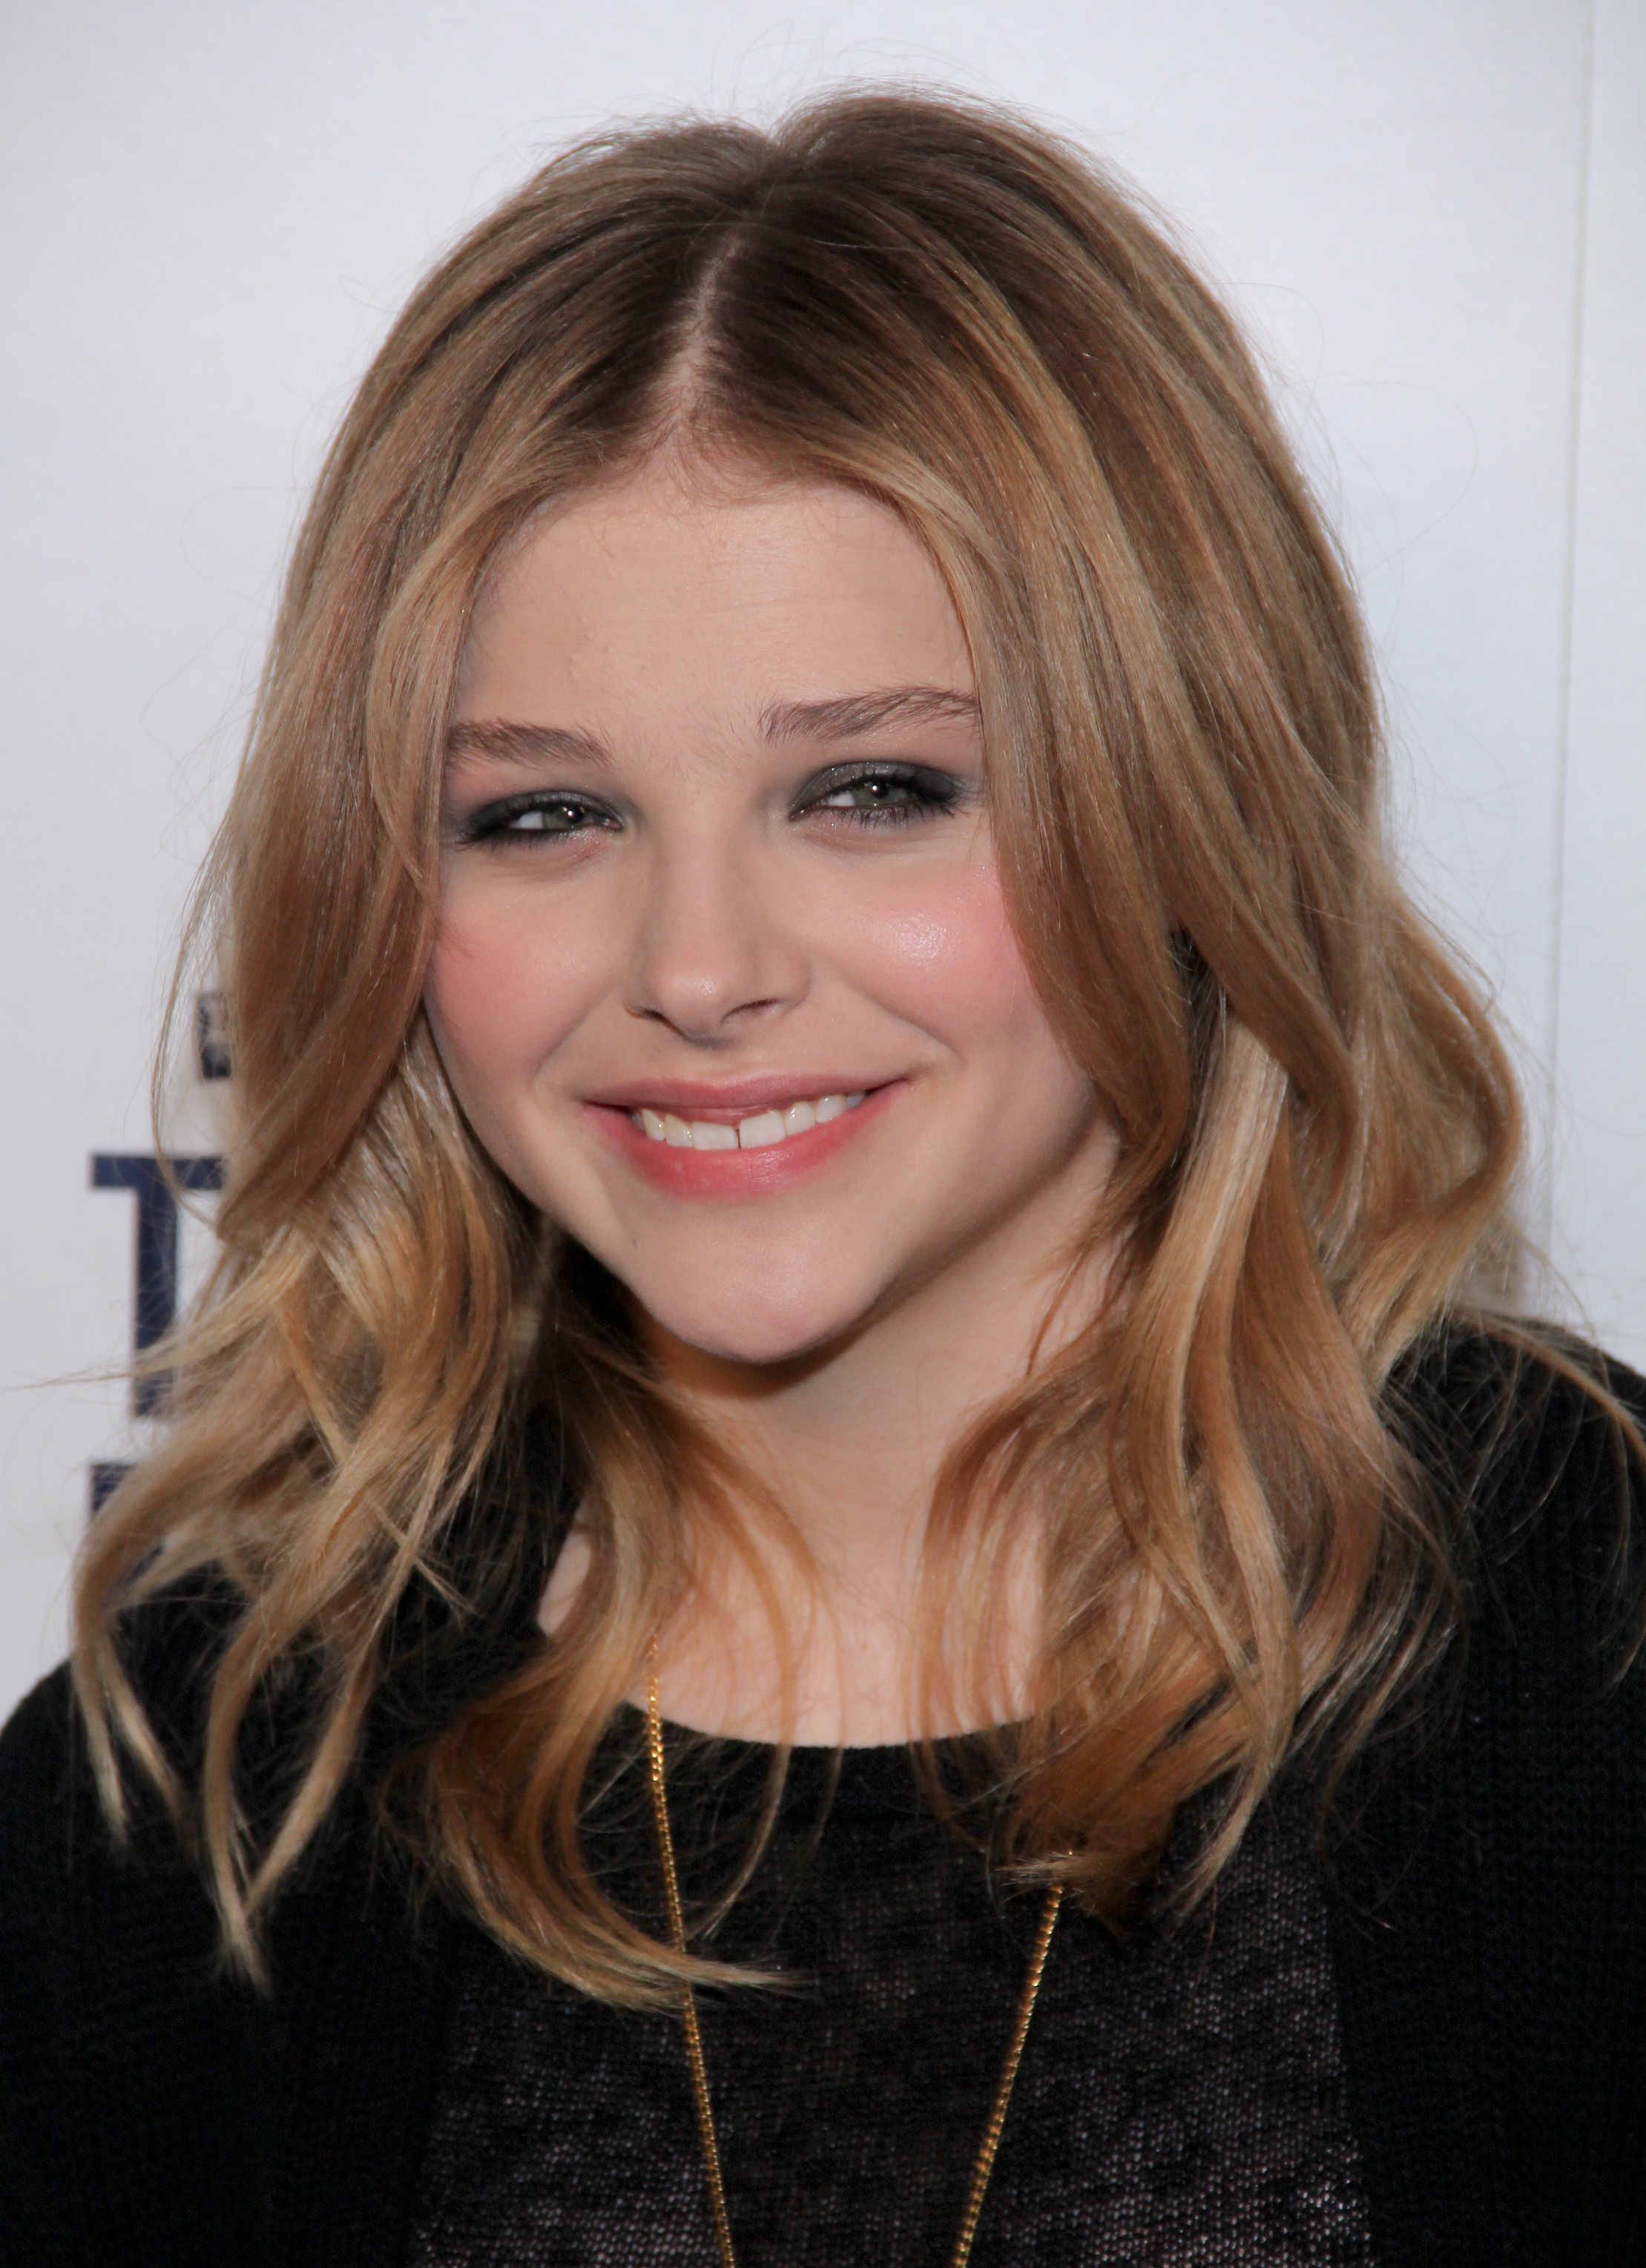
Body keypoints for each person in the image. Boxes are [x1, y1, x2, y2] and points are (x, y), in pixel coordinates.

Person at [2, 88, 1643, 2268]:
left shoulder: (1592, 1633)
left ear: (1189, 807)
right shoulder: (184, 1798)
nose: (699, 969)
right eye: (542, 815)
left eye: (872, 788)